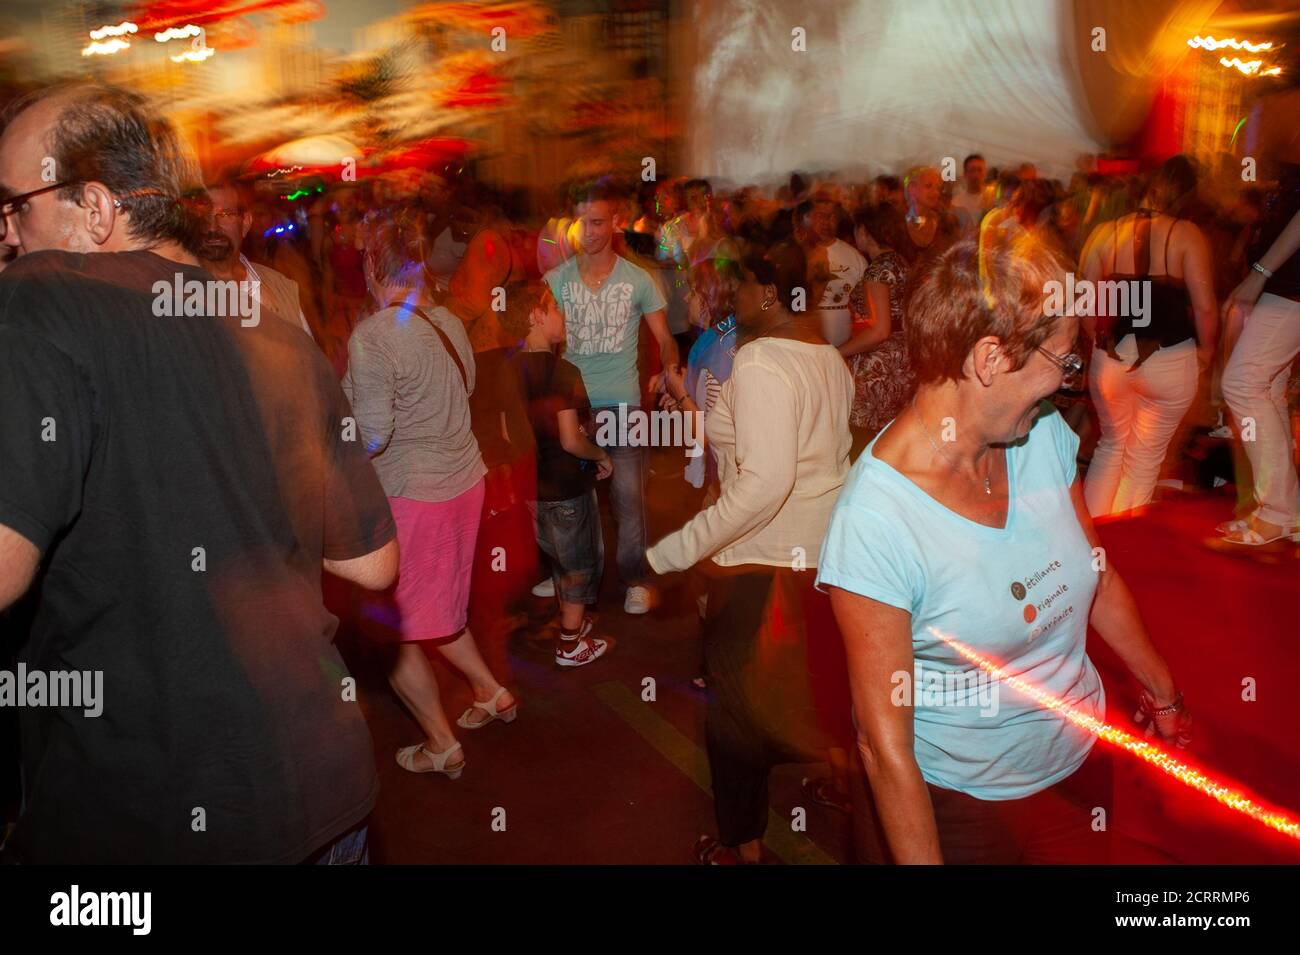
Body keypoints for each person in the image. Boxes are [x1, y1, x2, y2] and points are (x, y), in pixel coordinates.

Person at [0, 82, 398, 863]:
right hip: (324, 792)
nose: (9, 233)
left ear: (96, 207)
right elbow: (372, 562)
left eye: (17, 205)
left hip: (145, 819)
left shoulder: (38, 302)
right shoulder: (277, 337)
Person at [817, 236, 1190, 864]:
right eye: (1064, 362)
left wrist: (1165, 695)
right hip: (967, 807)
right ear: (990, 358)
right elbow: (884, 747)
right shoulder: (876, 522)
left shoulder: (1040, 434)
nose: (1068, 386)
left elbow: (1094, 575)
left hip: (1081, 762)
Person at [647, 241, 854, 865]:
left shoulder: (762, 361)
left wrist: (676, 550)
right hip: (819, 558)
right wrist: (690, 407)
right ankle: (847, 790)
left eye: (738, 291)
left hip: (759, 561)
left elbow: (764, 483)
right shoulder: (827, 355)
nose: (728, 304)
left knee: (735, 720)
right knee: (819, 691)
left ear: (768, 293)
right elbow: (783, 450)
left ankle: (744, 849)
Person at [344, 206, 517, 780]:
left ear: (375, 267)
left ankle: (441, 744)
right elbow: (464, 388)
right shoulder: (447, 321)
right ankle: (491, 691)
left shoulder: (373, 335)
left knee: (389, 630)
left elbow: (372, 434)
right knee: (439, 607)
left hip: (414, 496)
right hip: (464, 482)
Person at [544, 179, 678, 615]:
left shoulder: (639, 279)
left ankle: (634, 577)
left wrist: (667, 368)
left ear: (616, 222)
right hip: (572, 405)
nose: (590, 232)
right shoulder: (556, 279)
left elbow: (665, 337)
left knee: (627, 500)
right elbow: (543, 339)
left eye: (598, 222)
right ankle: (569, 575)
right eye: (582, 223)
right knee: (567, 500)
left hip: (622, 405)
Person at [1081, 155, 1217, 518]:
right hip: (1169, 359)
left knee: (1111, 446)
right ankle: (1124, 548)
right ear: (1188, 193)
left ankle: (1093, 541)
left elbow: (1085, 303)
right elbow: (1204, 307)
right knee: (1143, 458)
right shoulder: (1188, 235)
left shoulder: (1103, 233)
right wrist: (1208, 350)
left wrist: (1095, 346)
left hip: (1111, 359)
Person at [508, 282, 614, 667]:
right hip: (567, 486)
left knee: (557, 558)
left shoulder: (507, 370)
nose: (563, 316)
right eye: (555, 308)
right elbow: (572, 441)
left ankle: (573, 624)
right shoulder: (563, 371)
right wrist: (601, 454)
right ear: (535, 316)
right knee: (579, 563)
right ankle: (570, 644)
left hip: (531, 488)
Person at [1217, 83, 1300, 547]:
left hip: (1290, 287)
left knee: (1242, 383)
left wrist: (1259, 274)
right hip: (1284, 287)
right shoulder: (1285, 158)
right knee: (1265, 387)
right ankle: (1286, 510)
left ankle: (1277, 512)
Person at [191, 180, 316, 339]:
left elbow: (307, 355)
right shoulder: (177, 293)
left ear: (245, 222)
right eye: (205, 215)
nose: (212, 227)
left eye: (225, 214)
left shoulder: (280, 286)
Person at [840, 203, 914, 455]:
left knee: (863, 442)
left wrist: (838, 352)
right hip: (904, 360)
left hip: (879, 368)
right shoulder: (900, 263)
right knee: (894, 441)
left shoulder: (877, 271)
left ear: (864, 231)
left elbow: (879, 330)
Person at [804, 197, 867, 348]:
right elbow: (794, 303)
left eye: (831, 216)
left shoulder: (854, 257)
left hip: (846, 346)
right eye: (820, 215)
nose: (826, 221)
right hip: (809, 343)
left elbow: (865, 306)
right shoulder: (800, 255)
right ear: (809, 218)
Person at [899, 166, 960, 267]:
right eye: (928, 186)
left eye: (938, 188)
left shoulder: (947, 223)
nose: (936, 193)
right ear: (912, 189)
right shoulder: (897, 226)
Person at [951, 154, 990, 236]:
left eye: (979, 170)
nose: (976, 175)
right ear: (965, 174)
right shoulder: (956, 202)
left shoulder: (992, 199)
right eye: (972, 170)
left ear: (985, 173)